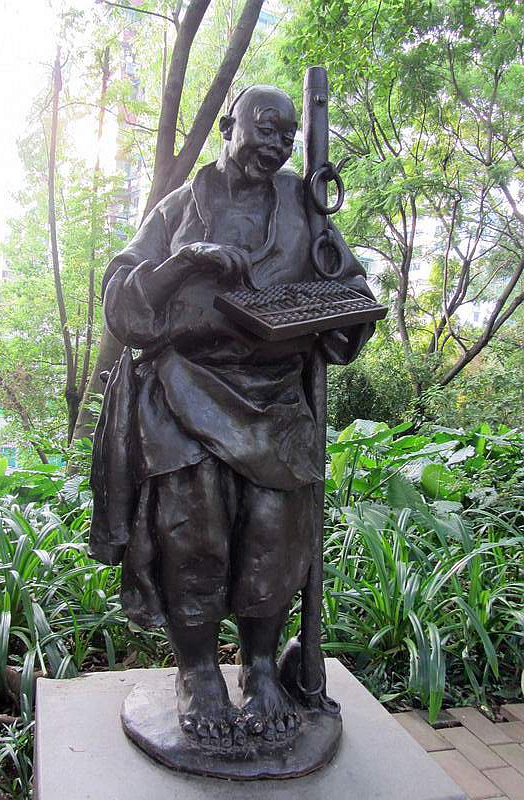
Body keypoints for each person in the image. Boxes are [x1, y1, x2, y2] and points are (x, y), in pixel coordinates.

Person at [90, 85, 374, 748]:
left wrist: (337, 310)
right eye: (264, 128)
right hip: (185, 392)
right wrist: (181, 264)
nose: (276, 144)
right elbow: (123, 299)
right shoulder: (178, 208)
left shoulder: (306, 207)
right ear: (228, 125)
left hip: (275, 401)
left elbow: (349, 288)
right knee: (195, 535)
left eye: (288, 135)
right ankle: (198, 674)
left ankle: (263, 668)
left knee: (274, 537)